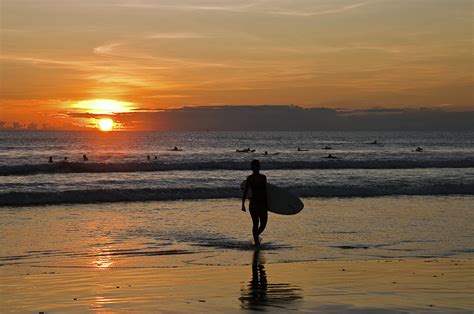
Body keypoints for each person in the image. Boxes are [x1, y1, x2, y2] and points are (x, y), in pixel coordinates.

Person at [242, 160, 268, 246]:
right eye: (255, 166)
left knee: (263, 224)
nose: (257, 167)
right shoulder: (250, 178)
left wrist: (268, 204)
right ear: (252, 168)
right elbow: (245, 191)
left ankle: (255, 236)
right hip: (254, 203)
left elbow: (266, 191)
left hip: (263, 203)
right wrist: (243, 204)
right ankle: (256, 242)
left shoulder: (263, 177)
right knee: (255, 223)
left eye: (258, 166)